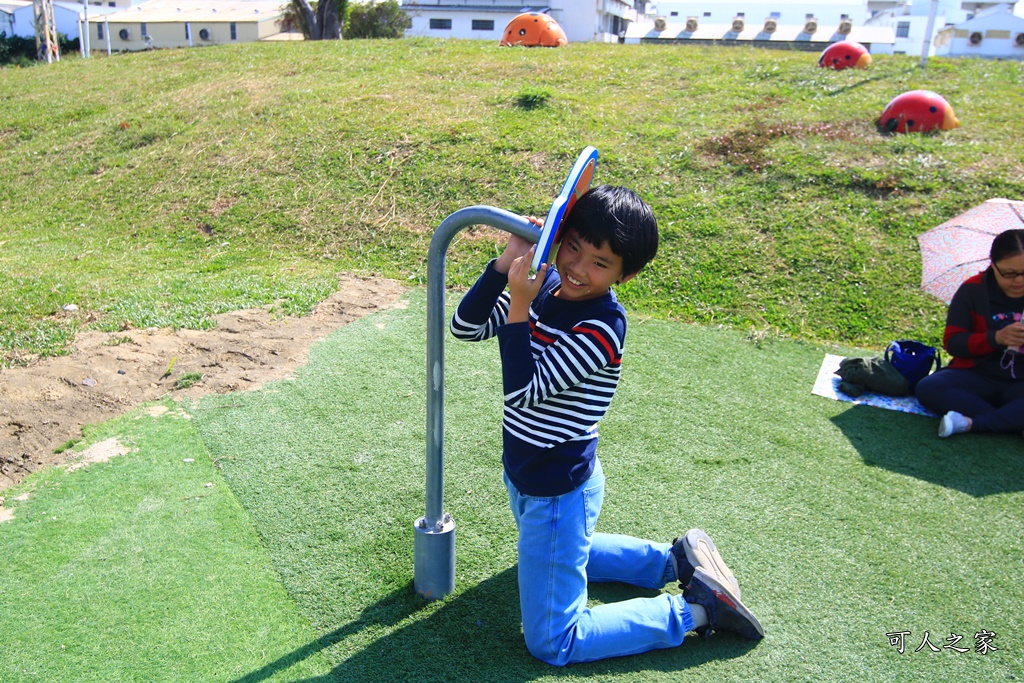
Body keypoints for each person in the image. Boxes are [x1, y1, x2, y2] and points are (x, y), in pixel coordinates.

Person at [450, 185, 763, 666]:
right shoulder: (546, 285)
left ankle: (698, 610)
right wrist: (503, 264)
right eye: (573, 246)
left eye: (600, 263)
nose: (578, 267)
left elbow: (521, 390)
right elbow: (466, 327)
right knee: (562, 550)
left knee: (554, 641)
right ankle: (675, 560)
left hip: (557, 485)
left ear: (626, 274)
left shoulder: (601, 327)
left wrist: (518, 301)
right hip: (532, 474)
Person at [916, 228, 1024, 438]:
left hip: (1020, 383)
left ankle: (971, 423)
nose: (1019, 281)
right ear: (993, 265)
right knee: (929, 387)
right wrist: (996, 338)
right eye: (1010, 274)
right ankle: (1012, 422)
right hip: (976, 375)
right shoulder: (972, 290)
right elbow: (954, 343)